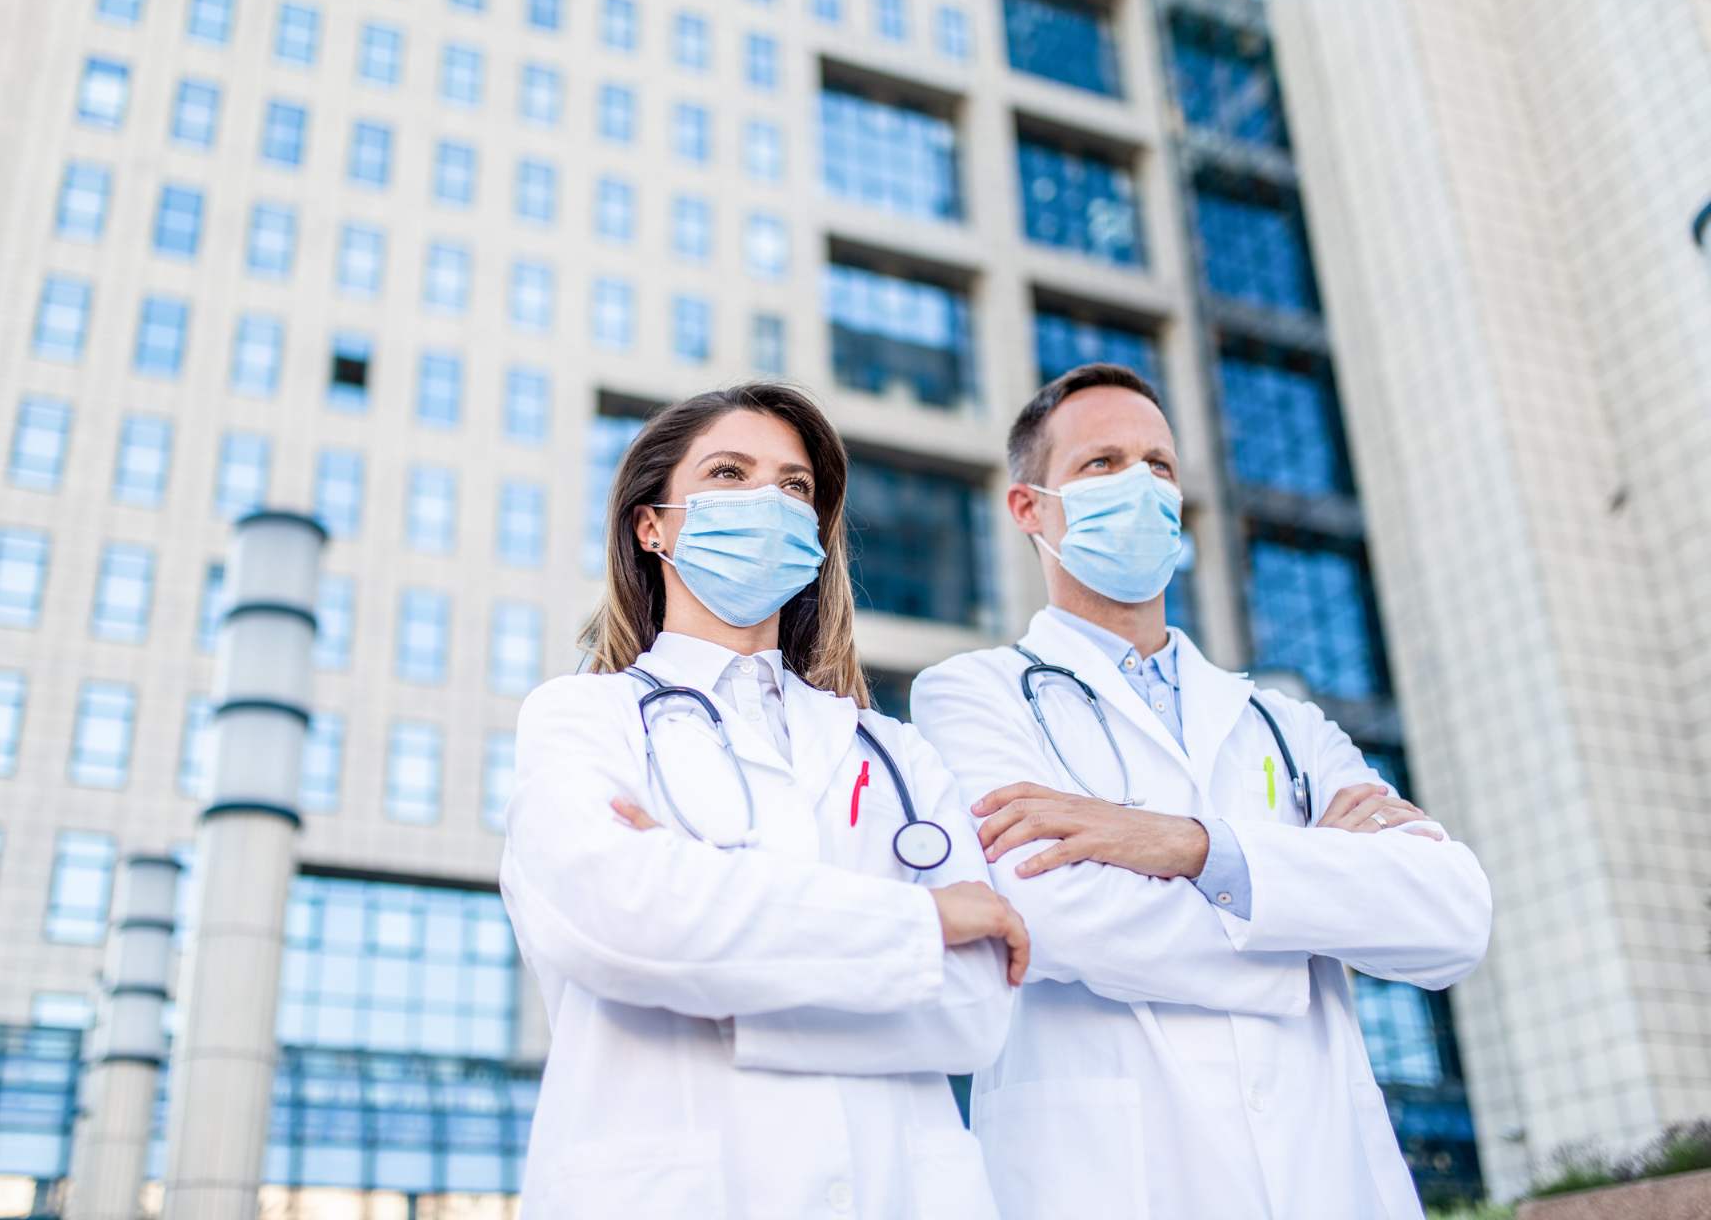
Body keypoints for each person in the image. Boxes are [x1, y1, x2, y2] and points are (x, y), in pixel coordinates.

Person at [912, 364, 1493, 1220]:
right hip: (1113, 1180)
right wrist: (1314, 902)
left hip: (1324, 1177)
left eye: (1160, 465)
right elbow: (1056, 915)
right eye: (1102, 464)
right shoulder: (971, 693)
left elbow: (1453, 915)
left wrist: (1191, 847)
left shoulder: (1286, 722)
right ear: (1030, 509)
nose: (1141, 486)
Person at [502, 381, 1026, 1220]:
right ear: (653, 525)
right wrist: (923, 924)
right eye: (729, 474)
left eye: (794, 487)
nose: (768, 502)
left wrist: (711, 965)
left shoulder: (894, 752)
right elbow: (620, 919)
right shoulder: (580, 718)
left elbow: (973, 1012)